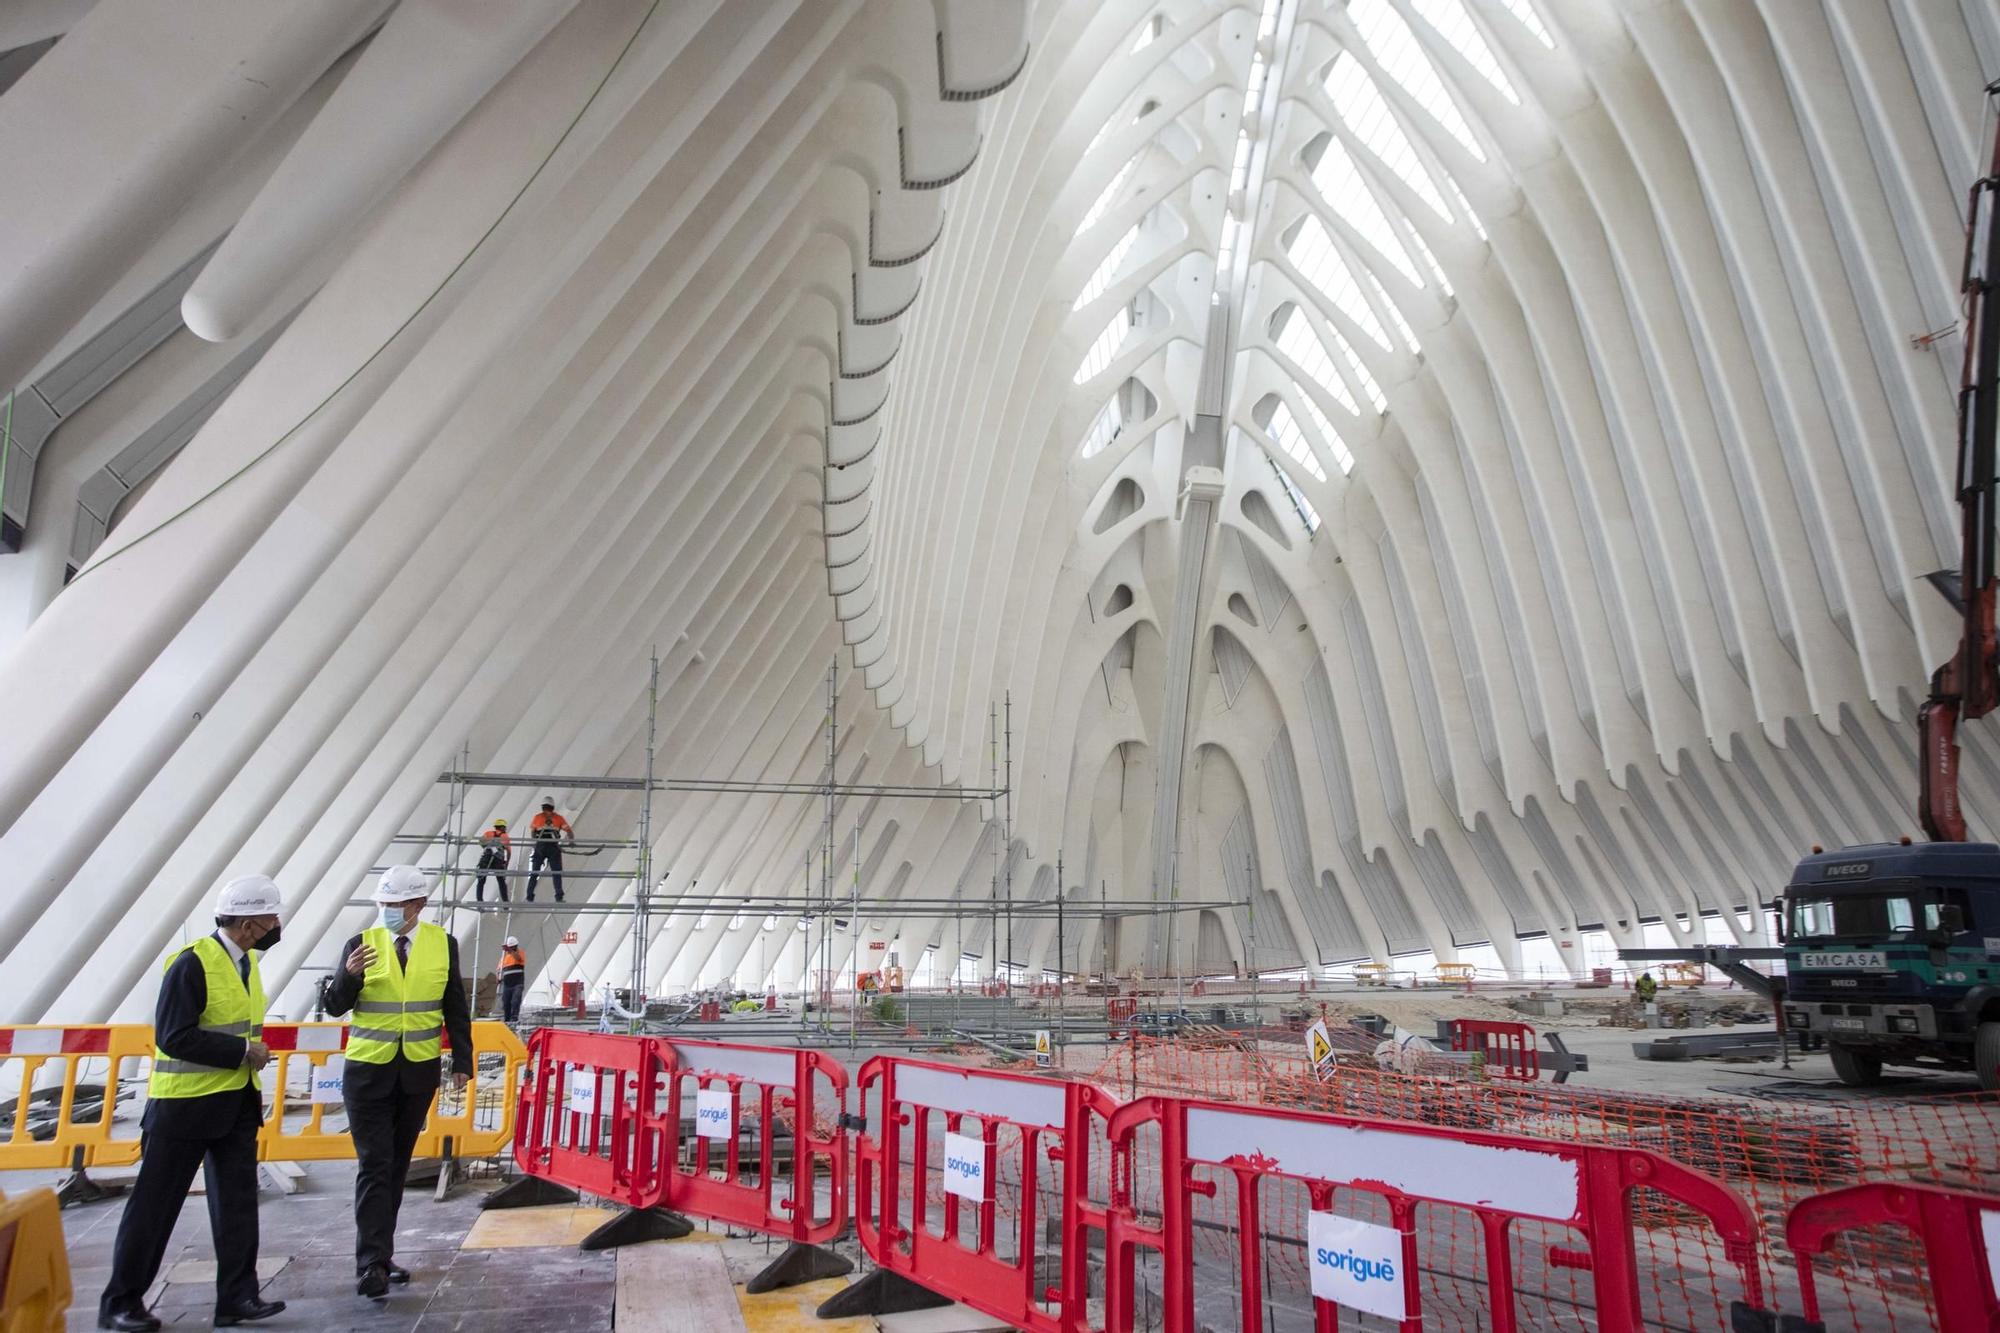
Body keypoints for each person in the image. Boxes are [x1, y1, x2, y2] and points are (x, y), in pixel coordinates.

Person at [98, 876, 289, 1332]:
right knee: (154, 1208)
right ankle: (121, 1304)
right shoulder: (192, 965)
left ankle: (238, 1297)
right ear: (247, 923)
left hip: (234, 1106)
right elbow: (174, 1036)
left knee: (238, 1205)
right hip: (183, 1110)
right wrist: (243, 1053)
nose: (277, 925)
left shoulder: (246, 963)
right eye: (271, 918)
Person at [322, 866, 472, 1301]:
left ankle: (382, 1256)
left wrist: (462, 1060)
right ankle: (370, 1262)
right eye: (382, 905)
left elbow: (455, 1007)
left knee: (397, 1166)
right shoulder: (360, 945)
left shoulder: (442, 945)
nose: (387, 912)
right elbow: (333, 1006)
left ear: (418, 905)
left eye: (396, 905)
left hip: (417, 1073)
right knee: (375, 1164)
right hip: (368, 1072)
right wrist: (348, 976)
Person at [524, 798, 572, 903]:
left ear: (543, 807)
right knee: (556, 872)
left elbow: (533, 832)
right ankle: (559, 896)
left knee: (535, 872)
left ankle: (529, 896)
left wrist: (535, 844)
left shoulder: (537, 817)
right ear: (553, 807)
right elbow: (568, 830)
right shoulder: (559, 818)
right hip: (553, 847)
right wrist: (571, 841)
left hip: (540, 847)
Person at [474, 818, 511, 902]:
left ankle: (479, 901)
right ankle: (505, 902)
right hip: (498, 860)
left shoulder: (488, 833)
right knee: (501, 881)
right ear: (502, 827)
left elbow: (480, 841)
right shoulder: (505, 836)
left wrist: (487, 846)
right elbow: (509, 852)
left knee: (481, 880)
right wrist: (506, 864)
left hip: (486, 859)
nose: (505, 829)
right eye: (504, 827)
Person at [497, 936, 527, 1023]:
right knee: (506, 1003)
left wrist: (510, 951)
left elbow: (518, 958)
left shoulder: (520, 953)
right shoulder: (504, 958)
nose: (512, 948)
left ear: (516, 946)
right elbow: (499, 970)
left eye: (513, 947)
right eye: (510, 947)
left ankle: (514, 1019)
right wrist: (498, 978)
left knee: (515, 1001)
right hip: (507, 984)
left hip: (518, 983)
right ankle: (507, 1020)